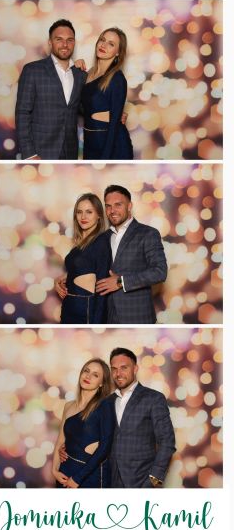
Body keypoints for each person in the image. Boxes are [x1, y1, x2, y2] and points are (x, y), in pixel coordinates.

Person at [56, 185, 167, 323]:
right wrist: (65, 278)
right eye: (108, 206)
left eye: (118, 205)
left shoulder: (147, 234)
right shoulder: (102, 237)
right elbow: (93, 267)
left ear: (129, 206)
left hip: (136, 316)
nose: (112, 210)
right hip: (106, 316)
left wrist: (121, 282)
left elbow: (159, 272)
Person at [15, 19, 87, 159]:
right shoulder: (33, 70)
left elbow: (85, 109)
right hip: (40, 152)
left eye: (69, 40)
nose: (65, 44)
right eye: (59, 39)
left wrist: (113, 113)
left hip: (70, 152)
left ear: (74, 43)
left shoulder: (81, 75)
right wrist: (30, 154)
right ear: (50, 42)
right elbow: (22, 113)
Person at [108, 348, 175, 487]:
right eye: (114, 369)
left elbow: (167, 441)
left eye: (124, 368)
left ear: (135, 369)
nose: (118, 373)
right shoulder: (108, 401)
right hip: (111, 482)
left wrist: (154, 478)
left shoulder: (153, 398)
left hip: (141, 482)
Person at [52, 358, 114, 488]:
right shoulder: (68, 406)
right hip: (65, 472)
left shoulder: (105, 407)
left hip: (91, 476)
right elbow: (60, 441)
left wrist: (77, 479)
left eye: (95, 375)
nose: (88, 376)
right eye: (86, 371)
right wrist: (54, 471)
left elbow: (105, 447)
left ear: (101, 383)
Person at [81, 27, 133, 159]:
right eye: (102, 40)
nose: (103, 45)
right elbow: (78, 108)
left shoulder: (117, 79)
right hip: (90, 143)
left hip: (113, 147)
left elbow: (114, 126)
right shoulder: (87, 74)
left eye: (111, 44)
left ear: (118, 52)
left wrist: (105, 159)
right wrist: (74, 67)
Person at [59, 194, 110, 323]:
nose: (83, 217)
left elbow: (102, 290)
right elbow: (79, 270)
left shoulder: (102, 243)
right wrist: (58, 281)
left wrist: (97, 324)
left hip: (85, 309)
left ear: (99, 215)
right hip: (69, 306)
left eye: (89, 212)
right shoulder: (80, 245)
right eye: (79, 212)